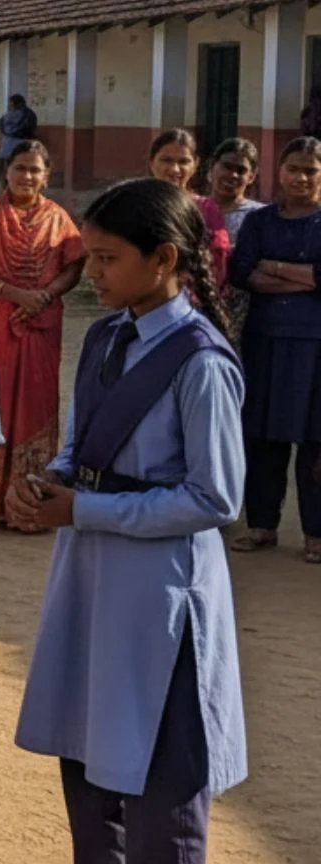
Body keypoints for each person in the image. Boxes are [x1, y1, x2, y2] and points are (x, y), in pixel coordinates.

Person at [11, 177, 245, 864]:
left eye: (108, 260)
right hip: (93, 567)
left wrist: (90, 507)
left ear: (166, 260)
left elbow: (215, 498)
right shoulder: (106, 337)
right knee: (85, 742)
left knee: (163, 771)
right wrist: (57, 480)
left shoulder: (202, 363)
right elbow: (82, 441)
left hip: (161, 593)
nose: (94, 274)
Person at [0, 140, 86, 529]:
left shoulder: (59, 219)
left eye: (35, 170)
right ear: (6, 171)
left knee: (35, 404)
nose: (26, 176)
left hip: (41, 326)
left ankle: (29, 507)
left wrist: (45, 295)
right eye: (20, 168)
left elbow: (74, 266)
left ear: (46, 177)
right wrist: (15, 294)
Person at [228, 136, 321, 563]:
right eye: (294, 168)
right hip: (265, 338)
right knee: (262, 434)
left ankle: (316, 533)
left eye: (311, 169)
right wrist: (306, 278)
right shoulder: (260, 222)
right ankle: (263, 524)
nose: (302, 177)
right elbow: (244, 271)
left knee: (316, 439)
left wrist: (277, 267)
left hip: (315, 345)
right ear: (278, 172)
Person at [146, 129, 232, 288]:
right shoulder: (137, 206)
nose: (175, 170)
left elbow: (218, 258)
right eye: (166, 160)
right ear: (152, 162)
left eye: (183, 162)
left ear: (195, 165)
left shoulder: (206, 209)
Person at [208, 138, 265, 344]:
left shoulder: (259, 217)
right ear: (212, 168)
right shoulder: (191, 210)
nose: (232, 175)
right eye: (226, 166)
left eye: (240, 170)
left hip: (244, 313)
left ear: (251, 177)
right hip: (194, 305)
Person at [0, 94, 37, 164]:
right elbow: (31, 127)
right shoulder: (29, 114)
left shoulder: (8, 115)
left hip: (10, 141)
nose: (10, 106)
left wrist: (8, 133)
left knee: (8, 161)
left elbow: (1, 124)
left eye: (11, 104)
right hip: (22, 140)